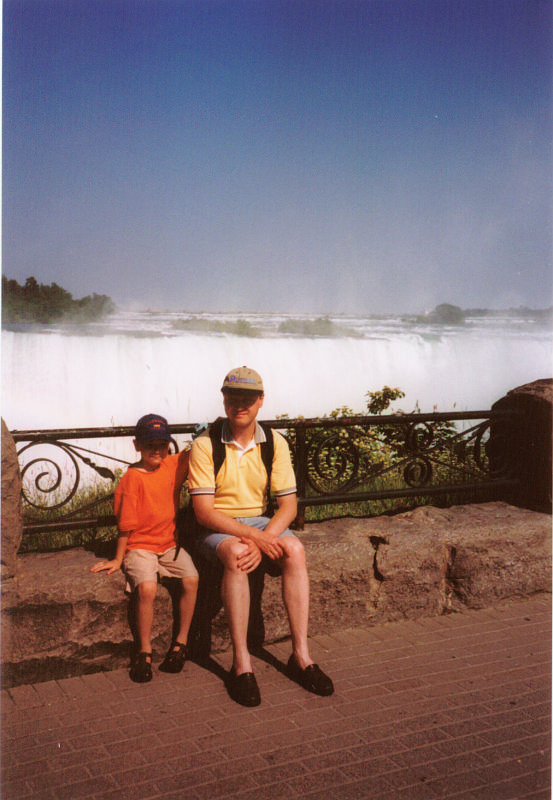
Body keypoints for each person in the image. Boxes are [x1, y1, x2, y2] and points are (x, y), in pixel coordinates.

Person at [188, 366, 333, 706]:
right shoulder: (204, 445)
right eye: (233, 397)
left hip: (257, 524)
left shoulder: (275, 443)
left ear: (261, 401)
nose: (241, 405)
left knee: (294, 551)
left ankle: (301, 656)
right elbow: (204, 512)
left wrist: (264, 537)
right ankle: (242, 664)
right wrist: (254, 541)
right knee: (238, 556)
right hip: (216, 527)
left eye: (248, 399)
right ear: (224, 400)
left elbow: (289, 506)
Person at [90, 414, 198, 683]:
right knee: (147, 588)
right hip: (140, 547)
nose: (157, 450)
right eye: (150, 444)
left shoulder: (172, 465)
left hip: (169, 545)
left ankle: (180, 643)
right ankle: (144, 651)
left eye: (163, 444)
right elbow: (125, 524)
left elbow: (194, 449)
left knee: (192, 578)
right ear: (137, 445)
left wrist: (209, 431)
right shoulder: (132, 479)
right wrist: (118, 558)